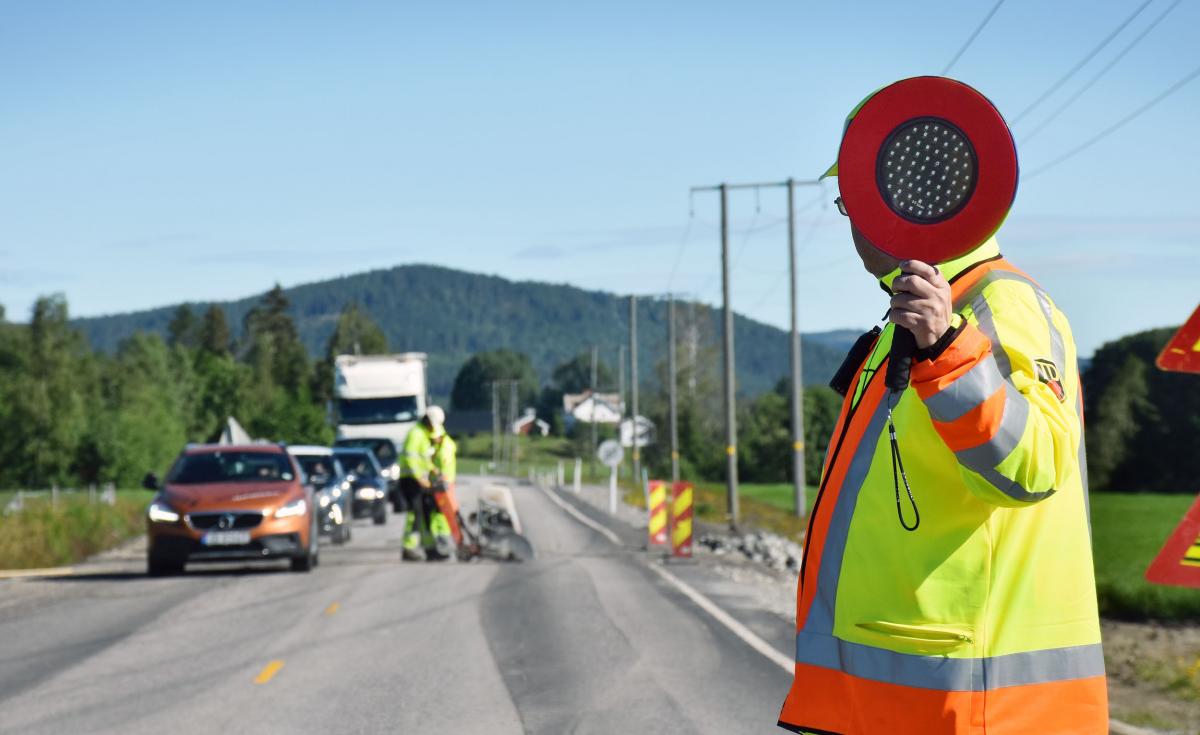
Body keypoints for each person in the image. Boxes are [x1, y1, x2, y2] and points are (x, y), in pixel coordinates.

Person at [777, 97, 1106, 734]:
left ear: (903, 201)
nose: (851, 226)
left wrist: (947, 353)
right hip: (901, 694)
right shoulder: (921, 317)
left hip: (970, 703)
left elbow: (1033, 468)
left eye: (854, 204)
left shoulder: (1000, 307)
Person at [397, 406, 455, 561]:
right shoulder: (416, 434)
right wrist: (420, 478)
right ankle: (408, 548)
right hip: (410, 480)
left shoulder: (422, 434)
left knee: (423, 515)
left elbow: (423, 459)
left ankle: (429, 549)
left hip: (418, 481)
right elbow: (411, 459)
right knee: (415, 514)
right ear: (428, 421)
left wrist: (433, 470)